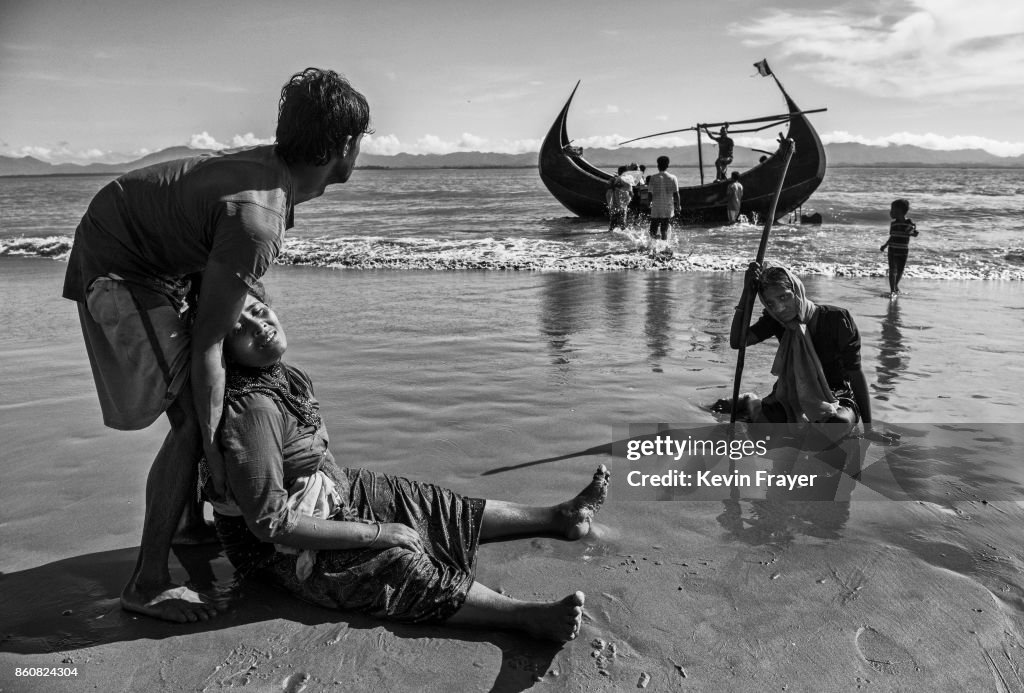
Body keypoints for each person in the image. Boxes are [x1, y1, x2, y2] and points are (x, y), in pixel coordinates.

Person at [61, 67, 373, 623]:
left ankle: (187, 524)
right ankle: (148, 582)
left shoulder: (268, 178)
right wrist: (215, 454)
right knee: (189, 419)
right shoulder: (259, 217)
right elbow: (208, 347)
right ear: (345, 145)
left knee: (202, 400)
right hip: (122, 264)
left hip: (153, 249)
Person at [205, 287, 608, 641]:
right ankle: (525, 617)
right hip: (276, 550)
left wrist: (358, 506)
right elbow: (269, 524)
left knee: (427, 503)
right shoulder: (252, 410)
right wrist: (374, 531)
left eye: (258, 311)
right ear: (225, 351)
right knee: (395, 565)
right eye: (239, 328)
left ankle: (559, 516)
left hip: (328, 489)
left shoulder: (287, 376)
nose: (259, 325)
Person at [728, 262, 875, 436]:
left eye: (783, 297)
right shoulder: (775, 320)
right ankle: (750, 401)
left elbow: (855, 373)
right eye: (771, 303)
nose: (779, 308)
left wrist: (869, 429)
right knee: (765, 427)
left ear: (797, 290)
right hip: (792, 392)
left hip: (836, 395)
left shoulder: (837, 319)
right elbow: (738, 341)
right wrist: (746, 293)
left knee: (836, 424)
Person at [879, 198, 919, 297]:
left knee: (900, 270)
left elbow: (914, 234)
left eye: (892, 210)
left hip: (903, 250)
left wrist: (913, 231)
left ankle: (895, 286)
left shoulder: (909, 223)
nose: (890, 212)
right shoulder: (893, 224)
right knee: (892, 269)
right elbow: (892, 236)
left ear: (900, 211)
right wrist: (885, 245)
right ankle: (892, 290)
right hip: (892, 249)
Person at [647, 155, 680, 241]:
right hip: (667, 208)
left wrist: (648, 203)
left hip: (656, 208)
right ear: (667, 166)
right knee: (664, 230)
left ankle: (655, 245)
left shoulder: (653, 178)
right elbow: (676, 194)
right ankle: (664, 246)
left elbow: (650, 193)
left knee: (652, 231)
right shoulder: (673, 178)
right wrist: (678, 206)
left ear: (658, 166)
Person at [605, 165, 633, 231]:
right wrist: (629, 199)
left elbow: (609, 191)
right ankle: (623, 238)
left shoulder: (615, 180)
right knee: (623, 225)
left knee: (612, 225)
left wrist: (609, 203)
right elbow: (631, 193)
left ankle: (610, 236)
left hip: (614, 204)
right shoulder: (627, 180)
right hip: (623, 204)